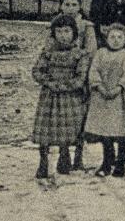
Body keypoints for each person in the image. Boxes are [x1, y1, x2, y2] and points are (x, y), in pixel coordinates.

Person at [31, 14, 89, 178]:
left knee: (67, 128)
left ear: (74, 33)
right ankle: (43, 162)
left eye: (67, 31)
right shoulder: (47, 53)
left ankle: (64, 157)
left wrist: (63, 86)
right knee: (45, 131)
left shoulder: (80, 55)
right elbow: (36, 71)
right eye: (59, 32)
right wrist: (49, 83)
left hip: (69, 98)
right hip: (49, 98)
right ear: (54, 34)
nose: (63, 35)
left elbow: (80, 78)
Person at [85, 23, 125, 178]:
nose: (116, 40)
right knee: (105, 131)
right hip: (102, 98)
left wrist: (119, 88)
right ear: (106, 38)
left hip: (121, 97)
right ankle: (107, 161)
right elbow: (94, 70)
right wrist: (99, 87)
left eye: (119, 37)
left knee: (121, 130)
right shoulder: (101, 53)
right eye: (112, 37)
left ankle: (121, 162)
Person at [52, 0, 97, 169]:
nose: (70, 8)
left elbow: (91, 51)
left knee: (80, 117)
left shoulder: (87, 27)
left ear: (80, 7)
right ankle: (64, 155)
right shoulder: (55, 26)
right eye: (67, 4)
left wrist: (78, 62)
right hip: (60, 77)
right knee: (62, 117)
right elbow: (50, 49)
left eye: (74, 5)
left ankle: (78, 155)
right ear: (60, 6)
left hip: (81, 76)